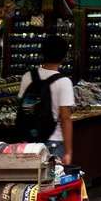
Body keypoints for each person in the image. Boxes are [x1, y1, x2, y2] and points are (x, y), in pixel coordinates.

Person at [17, 35, 74, 164]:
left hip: (29, 140)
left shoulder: (28, 76)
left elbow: (23, 108)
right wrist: (68, 152)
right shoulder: (64, 82)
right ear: (64, 56)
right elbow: (65, 118)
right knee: (52, 181)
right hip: (54, 141)